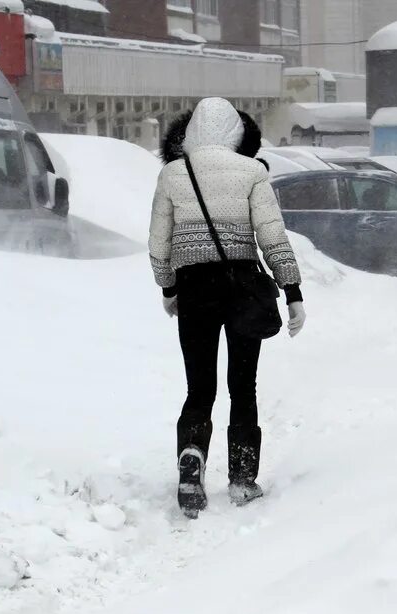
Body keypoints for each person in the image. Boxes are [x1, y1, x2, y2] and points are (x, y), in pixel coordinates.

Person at [149, 98, 307, 517]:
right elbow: (272, 236)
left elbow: (159, 243)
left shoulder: (173, 174)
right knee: (243, 384)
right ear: (236, 133)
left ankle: (191, 458)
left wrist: (169, 287)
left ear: (191, 132)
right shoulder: (252, 172)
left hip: (194, 290)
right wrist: (292, 291)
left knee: (199, 388)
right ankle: (242, 479)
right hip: (242, 289)